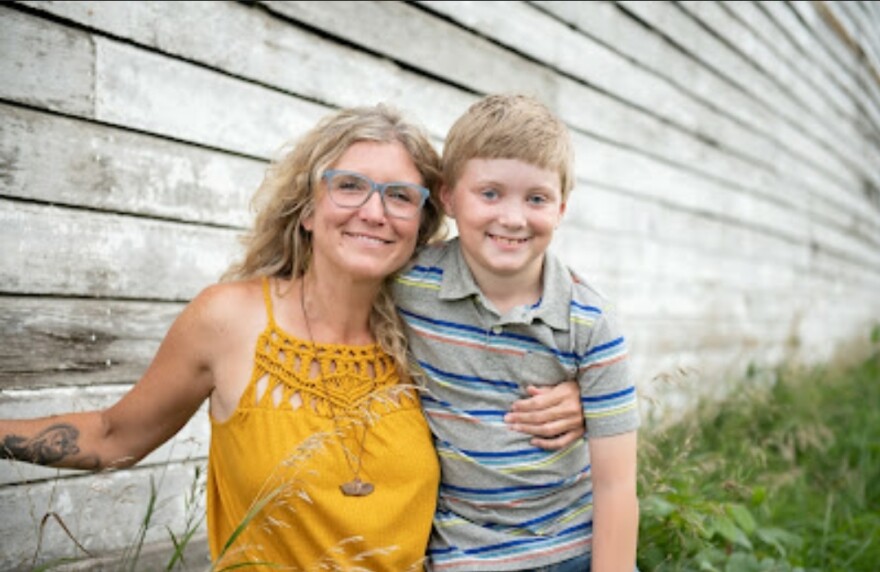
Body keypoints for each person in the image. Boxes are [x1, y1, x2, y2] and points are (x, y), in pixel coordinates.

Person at [0, 103, 585, 570]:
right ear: (307, 207)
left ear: (423, 226)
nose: (375, 212)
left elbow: (546, 356)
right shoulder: (229, 320)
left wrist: (578, 399)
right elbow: (111, 435)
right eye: (350, 186)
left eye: (401, 196)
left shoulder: (436, 331)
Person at [393, 94, 640, 571]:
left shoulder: (589, 321)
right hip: (460, 554)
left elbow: (616, 484)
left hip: (569, 548)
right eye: (490, 193)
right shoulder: (409, 286)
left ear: (561, 208)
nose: (512, 217)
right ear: (447, 196)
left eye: (537, 199)